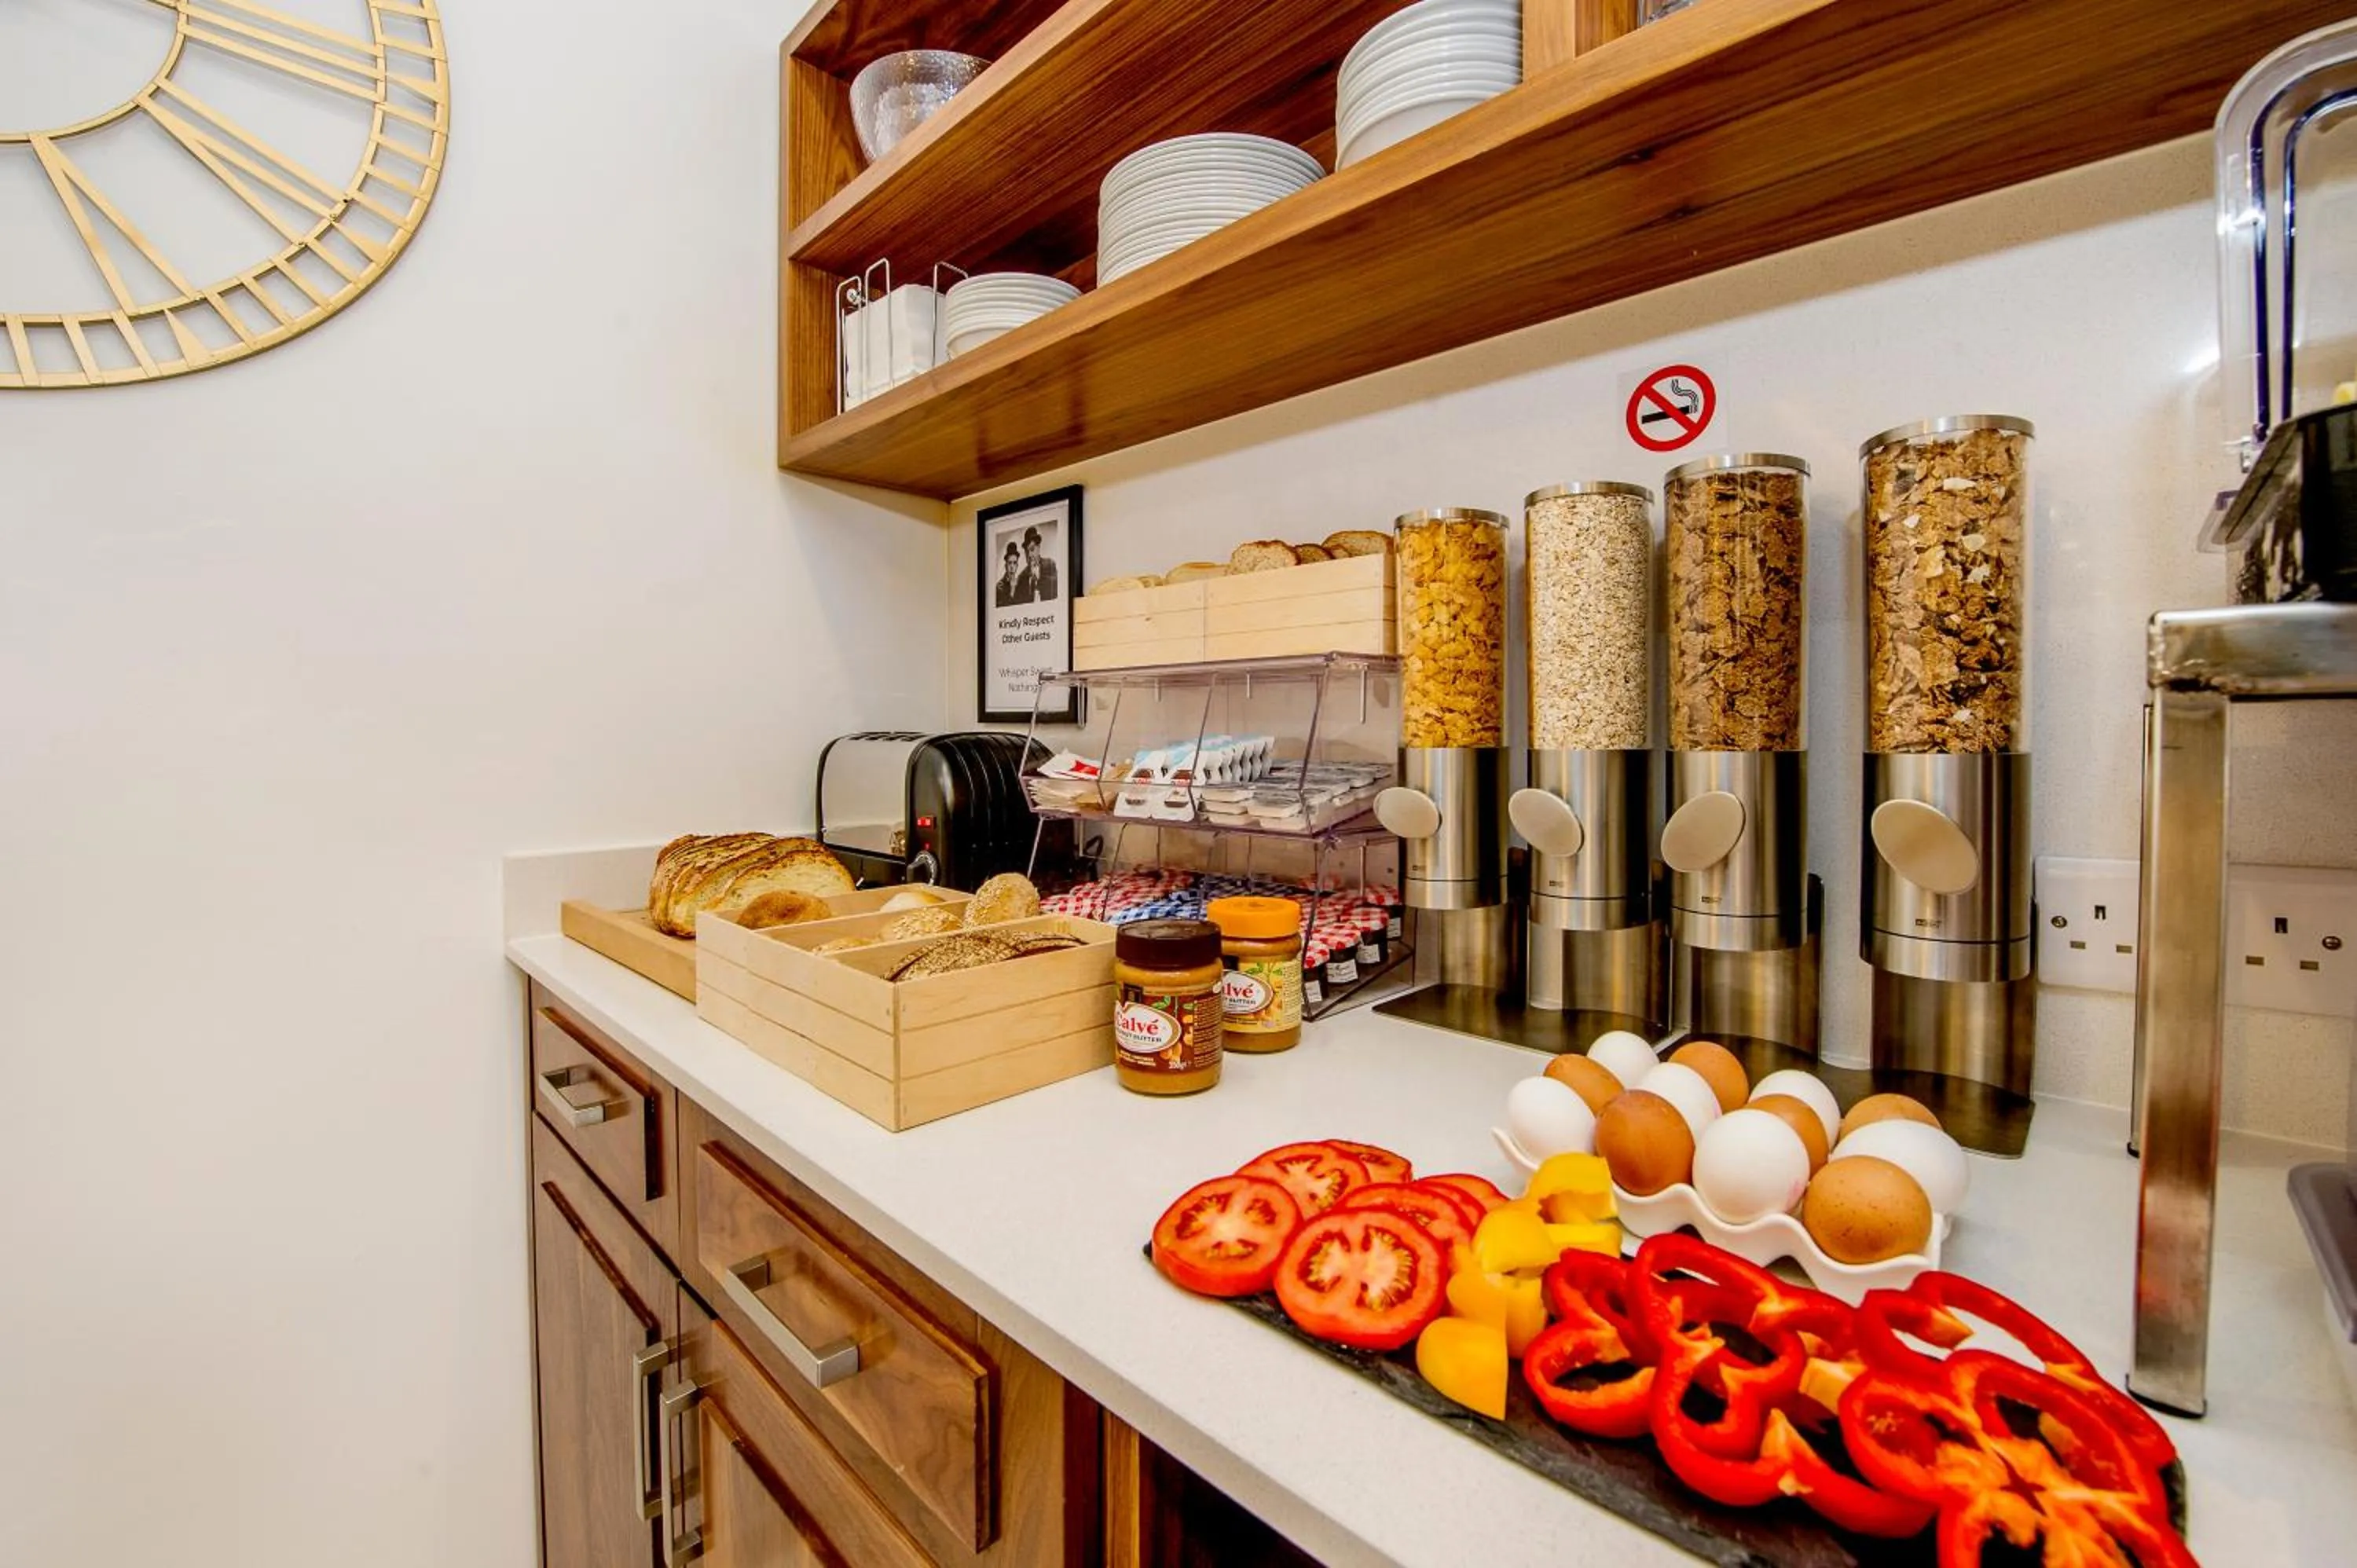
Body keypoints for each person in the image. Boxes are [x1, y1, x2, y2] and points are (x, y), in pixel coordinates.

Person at [1020, 525, 1058, 603]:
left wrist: (1038, 578)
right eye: (1027, 552)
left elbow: (1056, 589)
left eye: (1032, 549)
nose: (1029, 555)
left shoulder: (1050, 565)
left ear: (1039, 547)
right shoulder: (1022, 576)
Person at [994, 540, 1025, 606]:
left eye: (1014, 563)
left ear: (1017, 566)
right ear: (1006, 566)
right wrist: (1012, 590)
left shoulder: (1020, 584)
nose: (1012, 567)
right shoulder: (999, 587)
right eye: (1010, 563)